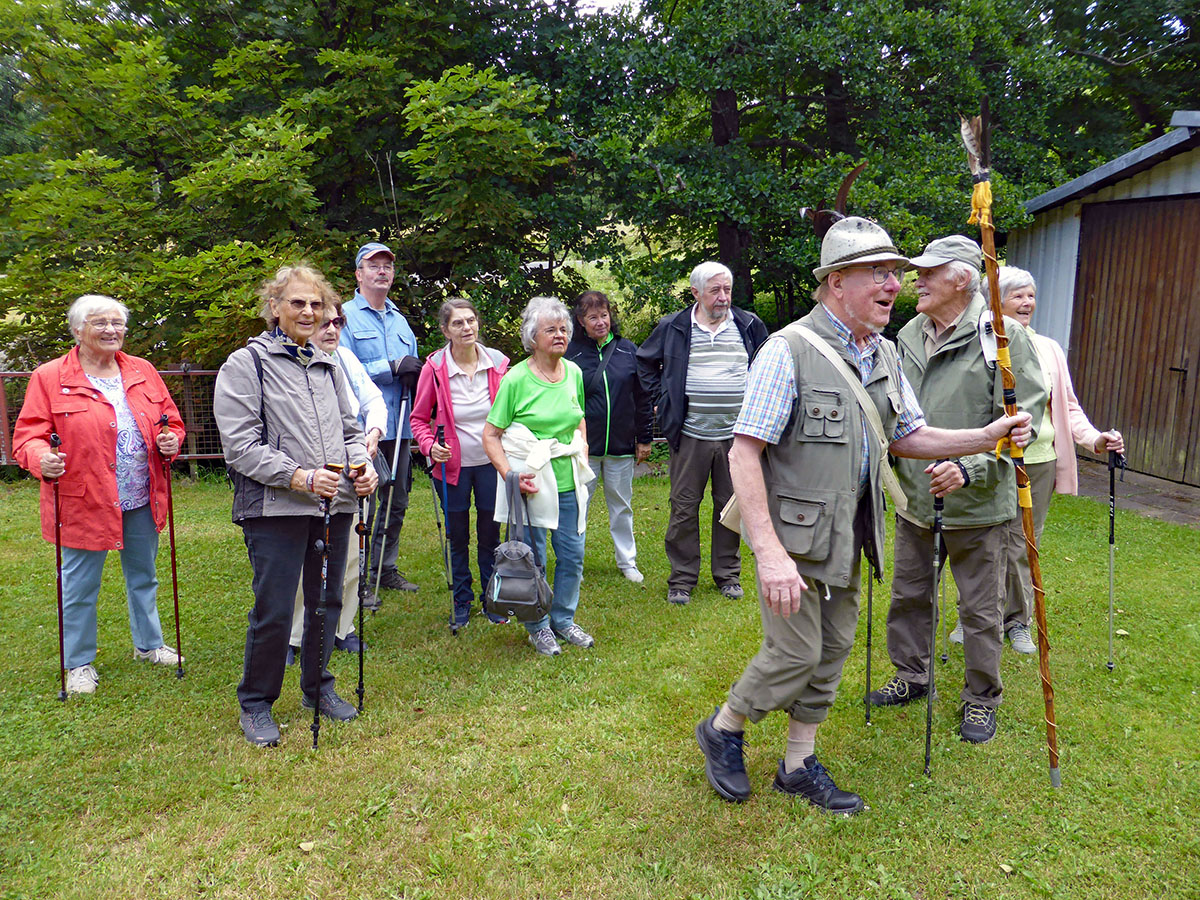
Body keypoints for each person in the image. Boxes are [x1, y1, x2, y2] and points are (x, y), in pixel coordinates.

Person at [694, 218, 1032, 810]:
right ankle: (724, 728)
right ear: (835, 282)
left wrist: (984, 435)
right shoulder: (788, 349)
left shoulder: (882, 353)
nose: (893, 285)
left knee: (832, 653)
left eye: (896, 274)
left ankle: (798, 763)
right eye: (878, 273)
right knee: (794, 654)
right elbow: (744, 454)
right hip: (795, 540)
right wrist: (769, 554)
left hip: (855, 536)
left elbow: (909, 435)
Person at [869, 236, 1047, 746]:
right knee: (909, 595)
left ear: (962, 278)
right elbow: (894, 410)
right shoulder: (906, 333)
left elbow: (1019, 423)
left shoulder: (1004, 336)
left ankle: (981, 698)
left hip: (979, 504)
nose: (915, 280)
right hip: (916, 501)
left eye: (928, 271)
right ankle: (911, 675)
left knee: (980, 608)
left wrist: (968, 468)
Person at [214, 264, 378, 747]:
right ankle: (256, 702)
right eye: (297, 303)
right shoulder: (247, 364)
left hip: (335, 501)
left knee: (327, 600)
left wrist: (360, 465)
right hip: (275, 506)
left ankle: (317, 686)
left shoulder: (329, 364)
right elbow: (240, 444)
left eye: (316, 304)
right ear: (274, 308)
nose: (309, 312)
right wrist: (299, 476)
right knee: (276, 607)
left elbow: (351, 431)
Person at [14, 294, 186, 696]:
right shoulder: (50, 376)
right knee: (79, 585)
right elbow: (28, 437)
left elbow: (171, 420)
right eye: (100, 323)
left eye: (117, 323)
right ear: (78, 330)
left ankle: (149, 645)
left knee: (144, 576)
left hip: (141, 493)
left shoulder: (142, 371)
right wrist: (42, 459)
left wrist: (169, 440)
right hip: (83, 498)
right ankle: (78, 663)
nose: (111, 330)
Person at [972, 267, 1123, 654]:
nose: (1027, 303)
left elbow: (1068, 408)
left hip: (1038, 460)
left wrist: (1095, 439)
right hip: (990, 458)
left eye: (1031, 296)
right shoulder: (978, 344)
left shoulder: (1050, 348)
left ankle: (1017, 621)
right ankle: (973, 616)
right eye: (1017, 295)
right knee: (983, 539)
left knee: (1024, 543)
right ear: (996, 301)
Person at [637, 262, 768, 605]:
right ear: (695, 293)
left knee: (730, 506)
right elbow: (644, 363)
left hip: (737, 436)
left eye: (727, 289)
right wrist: (660, 401)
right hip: (690, 434)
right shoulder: (674, 326)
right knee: (683, 508)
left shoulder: (749, 325)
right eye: (715, 290)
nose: (723, 297)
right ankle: (682, 579)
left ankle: (727, 576)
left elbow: (769, 366)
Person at [483, 296, 592, 657]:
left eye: (564, 329)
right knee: (535, 558)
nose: (560, 335)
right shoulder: (516, 379)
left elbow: (578, 419)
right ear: (532, 337)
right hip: (532, 485)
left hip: (567, 481)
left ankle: (563, 619)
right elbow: (491, 435)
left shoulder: (573, 373)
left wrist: (583, 453)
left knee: (573, 555)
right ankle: (538, 626)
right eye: (551, 330)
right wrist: (510, 475)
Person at [286, 302, 388, 662]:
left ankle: (341, 628)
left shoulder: (345, 359)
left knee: (350, 558)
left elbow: (374, 400)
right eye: (325, 323)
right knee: (305, 558)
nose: (332, 329)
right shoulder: (293, 363)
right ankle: (294, 636)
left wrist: (373, 431)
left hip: (355, 472)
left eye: (338, 322)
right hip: (308, 478)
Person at [411, 298, 511, 631]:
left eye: (470, 321)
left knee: (489, 535)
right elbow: (418, 419)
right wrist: (429, 445)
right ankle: (462, 600)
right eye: (458, 323)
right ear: (445, 330)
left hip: (489, 462)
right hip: (450, 467)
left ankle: (493, 598)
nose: (466, 328)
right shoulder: (435, 369)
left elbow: (512, 412)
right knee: (457, 536)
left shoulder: (497, 363)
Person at [339, 242, 423, 597]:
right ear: (359, 274)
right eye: (374, 265)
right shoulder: (342, 317)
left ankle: (384, 568)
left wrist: (416, 375)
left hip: (399, 426)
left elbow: (413, 365)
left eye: (388, 265)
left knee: (396, 500)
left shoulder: (400, 321)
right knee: (362, 503)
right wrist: (388, 368)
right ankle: (355, 578)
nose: (382, 271)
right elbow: (341, 367)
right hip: (361, 429)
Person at [565, 290, 653, 584]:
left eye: (604, 315)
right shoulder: (570, 353)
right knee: (579, 505)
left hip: (621, 445)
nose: (600, 322)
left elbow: (642, 397)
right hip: (582, 448)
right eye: (593, 317)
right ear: (581, 321)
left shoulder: (628, 350)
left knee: (621, 506)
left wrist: (644, 437)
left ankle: (627, 562)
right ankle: (573, 562)